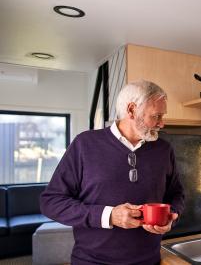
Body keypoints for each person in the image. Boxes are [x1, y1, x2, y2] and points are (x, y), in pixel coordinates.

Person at [40, 80, 185, 265]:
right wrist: (108, 216)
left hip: (150, 260)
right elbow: (51, 202)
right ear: (132, 110)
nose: (162, 123)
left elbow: (177, 194)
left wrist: (172, 216)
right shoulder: (85, 144)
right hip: (92, 261)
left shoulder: (164, 149)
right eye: (156, 116)